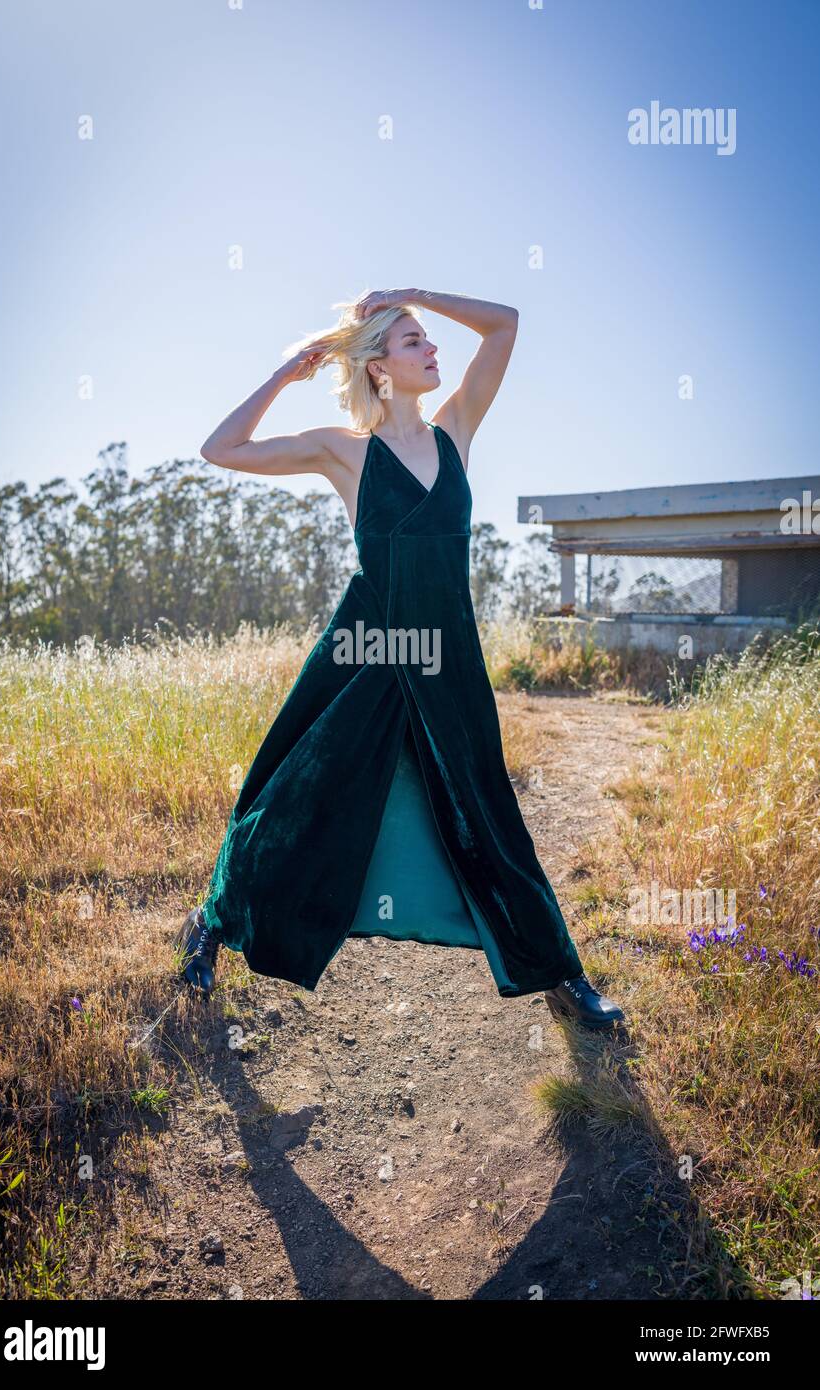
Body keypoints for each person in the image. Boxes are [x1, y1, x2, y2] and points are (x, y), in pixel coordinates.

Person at [176, 288, 624, 1031]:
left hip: (448, 653)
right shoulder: (345, 450)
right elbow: (219, 450)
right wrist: (286, 375)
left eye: (428, 339)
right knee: (296, 803)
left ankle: (560, 976)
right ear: (379, 368)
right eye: (415, 341)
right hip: (368, 650)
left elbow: (505, 325)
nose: (434, 350)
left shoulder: (456, 432)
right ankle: (212, 926)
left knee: (487, 813)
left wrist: (415, 294)